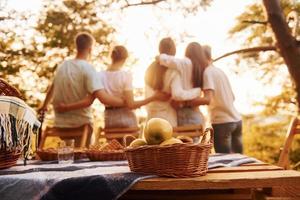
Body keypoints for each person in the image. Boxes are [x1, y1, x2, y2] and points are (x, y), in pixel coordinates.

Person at [38, 32, 125, 147]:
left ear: (77, 46)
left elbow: (51, 89)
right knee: (87, 146)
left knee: (68, 149)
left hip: (60, 125)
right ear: (90, 49)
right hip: (80, 126)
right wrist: (123, 102)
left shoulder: (62, 66)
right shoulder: (88, 68)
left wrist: (44, 106)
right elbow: (102, 98)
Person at [56, 45, 169, 128]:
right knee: (129, 155)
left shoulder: (99, 75)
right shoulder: (126, 76)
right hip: (127, 118)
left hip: (109, 118)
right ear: (125, 59)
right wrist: (153, 97)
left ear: (112, 57)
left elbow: (89, 100)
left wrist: (65, 107)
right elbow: (131, 104)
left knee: (112, 155)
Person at [187, 45, 243, 153]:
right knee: (239, 162)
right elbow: (233, 97)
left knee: (225, 164)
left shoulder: (207, 72)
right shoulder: (220, 71)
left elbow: (208, 99)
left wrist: (188, 102)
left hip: (222, 123)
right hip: (237, 121)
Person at [145, 38, 201, 127]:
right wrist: (197, 91)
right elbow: (177, 94)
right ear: (174, 50)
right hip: (167, 119)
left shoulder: (149, 69)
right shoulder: (173, 71)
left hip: (151, 117)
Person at [156, 42, 207, 127]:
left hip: (184, 111)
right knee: (196, 140)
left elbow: (164, 59)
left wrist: (159, 57)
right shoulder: (203, 67)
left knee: (185, 140)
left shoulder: (185, 63)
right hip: (196, 112)